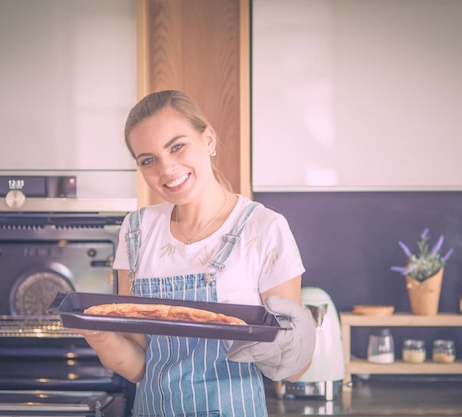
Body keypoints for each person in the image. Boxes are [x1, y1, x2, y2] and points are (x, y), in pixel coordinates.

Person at [78, 90, 315, 417]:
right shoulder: (136, 231)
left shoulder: (264, 229)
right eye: (148, 160)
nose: (167, 168)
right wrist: (97, 333)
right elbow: (140, 366)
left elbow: (295, 370)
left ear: (208, 140)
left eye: (177, 146)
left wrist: (282, 345)